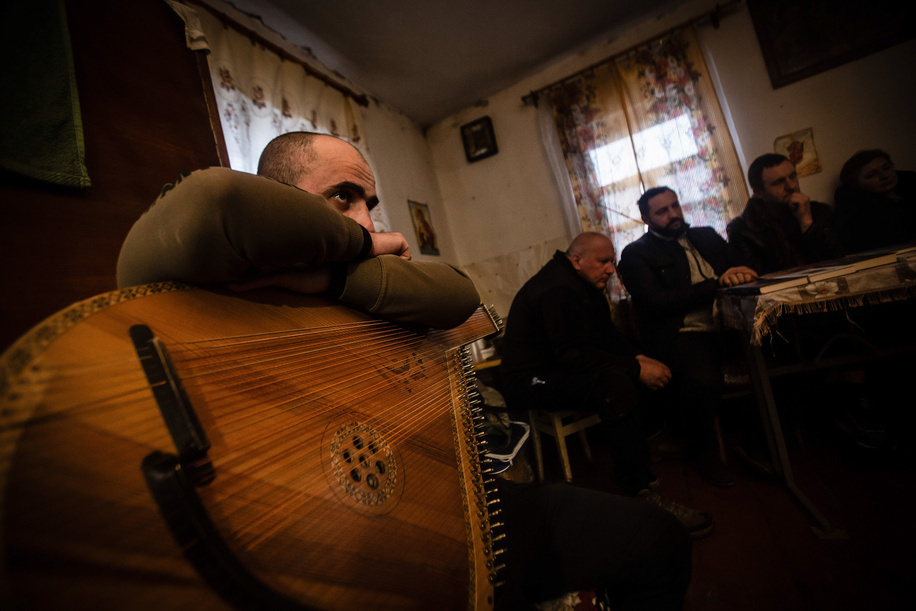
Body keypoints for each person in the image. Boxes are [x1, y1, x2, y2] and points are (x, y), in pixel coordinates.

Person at [117, 132, 692, 610]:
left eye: (371, 204)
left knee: (657, 540)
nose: (366, 221)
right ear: (277, 198)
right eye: (342, 197)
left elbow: (457, 293)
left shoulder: (367, 282)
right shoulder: (227, 274)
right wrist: (362, 246)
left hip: (445, 502)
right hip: (334, 543)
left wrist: (335, 275)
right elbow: (213, 202)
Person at [498, 231, 715, 539]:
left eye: (612, 261)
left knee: (640, 366)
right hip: (528, 380)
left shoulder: (584, 286)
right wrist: (635, 368)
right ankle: (640, 490)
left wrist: (640, 358)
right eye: (603, 262)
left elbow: (607, 339)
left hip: (557, 368)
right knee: (615, 383)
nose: (612, 269)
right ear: (577, 260)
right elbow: (574, 356)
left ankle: (648, 437)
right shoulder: (557, 289)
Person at [617, 187, 757, 488]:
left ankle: (763, 440)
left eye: (675, 206)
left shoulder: (705, 235)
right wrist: (715, 284)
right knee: (703, 379)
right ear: (646, 218)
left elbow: (737, 268)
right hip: (683, 333)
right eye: (662, 212)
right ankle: (705, 453)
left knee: (773, 350)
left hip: (730, 325)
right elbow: (655, 301)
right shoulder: (636, 253)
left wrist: (743, 272)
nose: (673, 215)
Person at [727, 153, 842, 274]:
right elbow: (758, 278)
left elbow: (838, 259)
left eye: (793, 177)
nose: (791, 186)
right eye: (778, 182)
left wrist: (807, 223)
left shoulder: (819, 211)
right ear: (758, 192)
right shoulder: (741, 229)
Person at [834, 149, 916, 254]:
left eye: (886, 168)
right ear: (856, 184)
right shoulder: (858, 211)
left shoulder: (910, 184)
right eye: (871, 175)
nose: (884, 176)